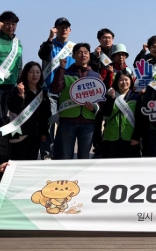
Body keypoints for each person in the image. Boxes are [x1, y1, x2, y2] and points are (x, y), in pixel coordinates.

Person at [51, 43, 101, 160]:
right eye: (79, 52)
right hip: (68, 121)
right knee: (66, 156)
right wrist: (61, 69)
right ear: (73, 55)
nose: (83, 55)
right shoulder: (65, 72)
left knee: (84, 157)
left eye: (86, 52)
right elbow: (56, 89)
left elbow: (100, 99)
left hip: (88, 121)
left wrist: (93, 108)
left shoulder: (95, 75)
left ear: (89, 56)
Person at [38, 17, 75, 159]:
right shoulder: (48, 45)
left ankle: (60, 154)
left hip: (68, 91)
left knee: (65, 125)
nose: (63, 30)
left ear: (70, 30)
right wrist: (49, 38)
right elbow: (42, 55)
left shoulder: (74, 48)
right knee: (50, 123)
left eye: (66, 27)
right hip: (50, 90)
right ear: (55, 29)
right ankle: (47, 154)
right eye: (60, 27)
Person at [6, 62, 51, 161]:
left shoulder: (42, 92)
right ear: (26, 73)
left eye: (37, 72)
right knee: (18, 162)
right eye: (31, 72)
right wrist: (21, 95)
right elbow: (14, 109)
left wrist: (44, 131)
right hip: (21, 134)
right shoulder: (17, 90)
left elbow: (46, 114)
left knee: (31, 162)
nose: (35, 75)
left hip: (36, 134)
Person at [100, 70, 141, 159]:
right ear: (117, 82)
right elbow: (105, 113)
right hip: (111, 137)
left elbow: (140, 119)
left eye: (126, 79)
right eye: (121, 80)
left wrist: (136, 137)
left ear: (131, 81)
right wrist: (111, 99)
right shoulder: (109, 96)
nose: (124, 82)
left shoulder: (136, 97)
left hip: (130, 138)